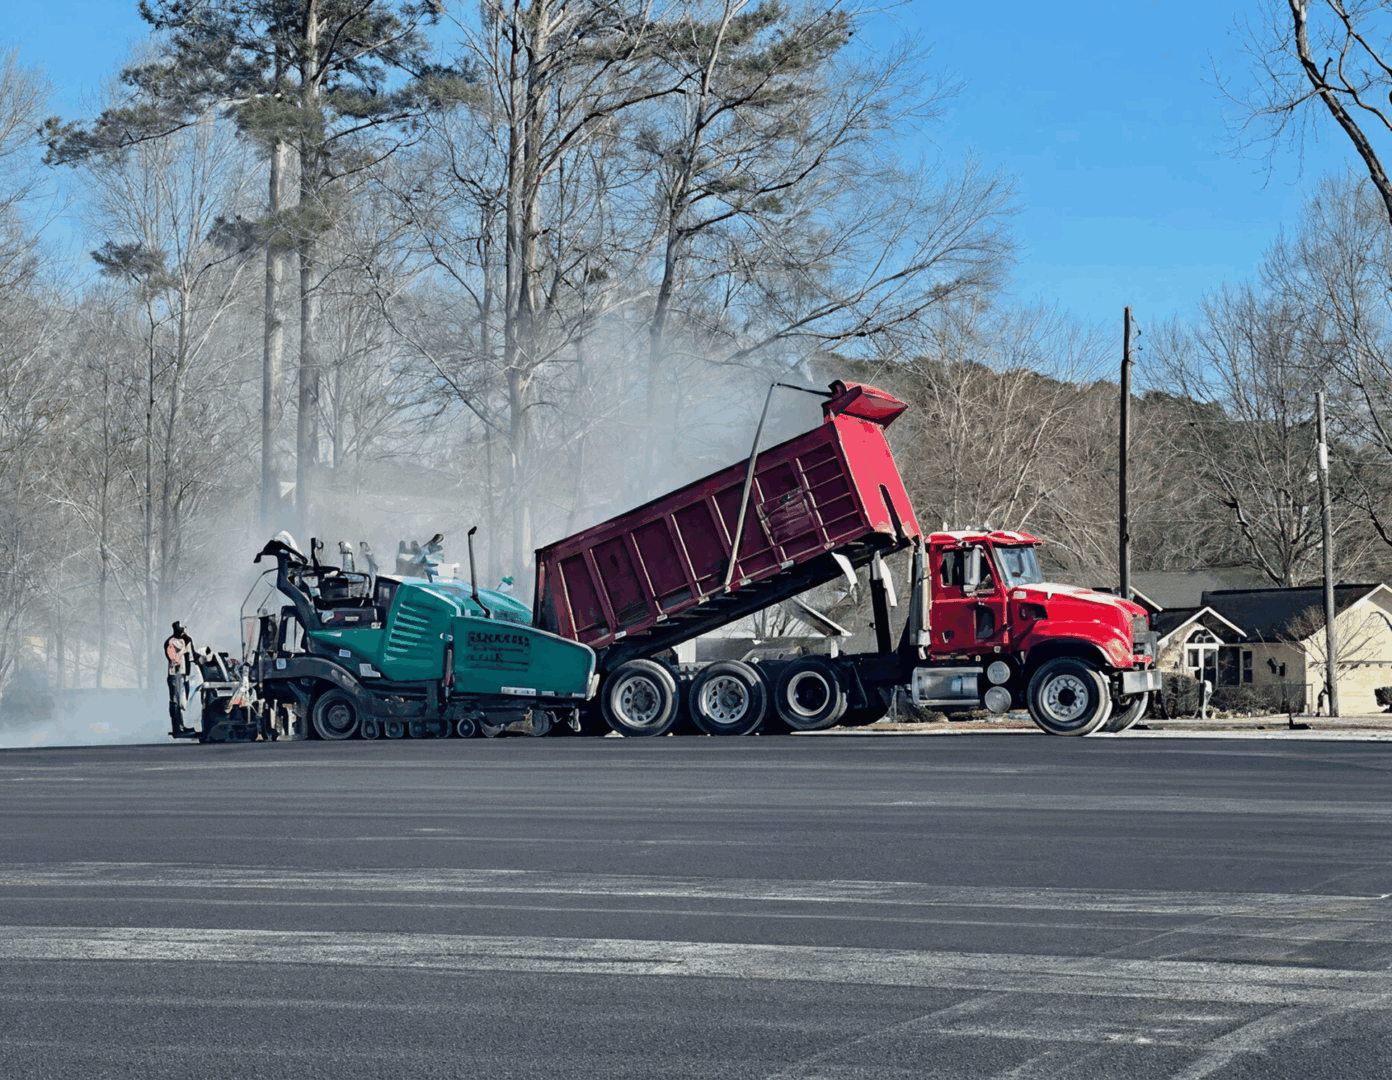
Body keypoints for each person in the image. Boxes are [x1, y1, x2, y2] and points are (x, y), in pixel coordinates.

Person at [163, 621, 195, 735]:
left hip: (180, 674)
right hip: (176, 674)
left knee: (180, 700)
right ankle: (178, 727)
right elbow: (175, 658)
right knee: (177, 700)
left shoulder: (174, 641)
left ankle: (180, 725)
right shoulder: (176, 642)